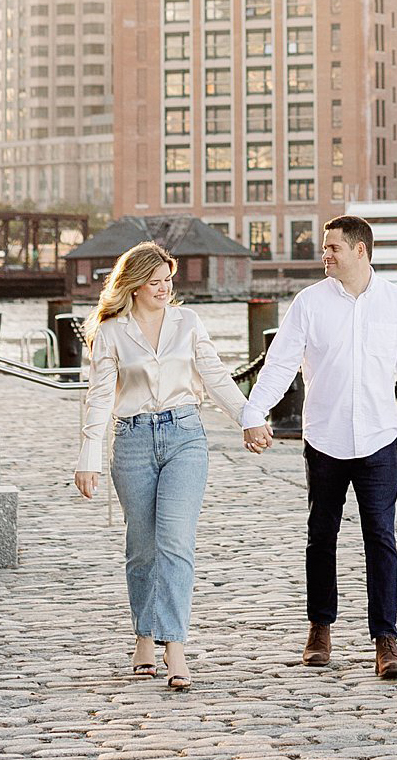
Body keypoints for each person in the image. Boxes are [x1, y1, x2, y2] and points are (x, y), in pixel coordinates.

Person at [241, 215, 397, 680]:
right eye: (325, 248)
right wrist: (253, 413)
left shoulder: (396, 302)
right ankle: (319, 630)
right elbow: (280, 363)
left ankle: (386, 642)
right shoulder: (309, 303)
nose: (324, 254)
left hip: (378, 439)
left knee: (381, 541)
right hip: (325, 439)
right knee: (320, 536)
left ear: (360, 250)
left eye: (333, 248)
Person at [75, 241, 257, 690]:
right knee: (142, 547)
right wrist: (89, 456)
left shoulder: (188, 323)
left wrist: (249, 418)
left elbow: (214, 377)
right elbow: (99, 397)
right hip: (133, 440)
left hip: (185, 436)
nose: (163, 288)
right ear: (133, 285)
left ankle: (174, 647)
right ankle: (143, 634)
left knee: (175, 542)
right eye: (154, 282)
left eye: (167, 281)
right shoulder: (112, 332)